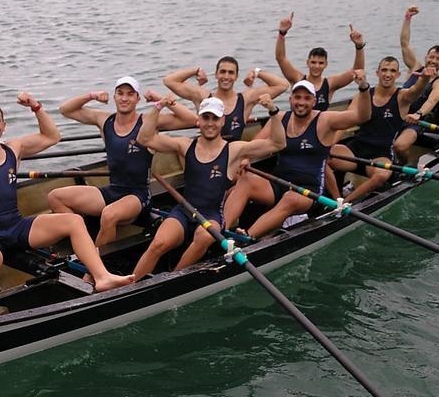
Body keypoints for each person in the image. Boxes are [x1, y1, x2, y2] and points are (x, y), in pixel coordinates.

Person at [0, 92, 133, 301]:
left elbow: (52, 136)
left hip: (18, 227)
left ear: (4, 125)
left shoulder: (14, 148)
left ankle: (102, 277)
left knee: (74, 221)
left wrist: (35, 106)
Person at [130, 95, 286, 279]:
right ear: (199, 120)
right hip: (184, 211)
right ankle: (130, 284)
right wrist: (158, 107)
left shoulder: (234, 150)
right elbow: (144, 138)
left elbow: (278, 143)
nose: (210, 123)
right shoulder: (185, 145)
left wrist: (273, 112)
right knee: (158, 244)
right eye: (206, 118)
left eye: (215, 118)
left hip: (212, 216)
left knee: (203, 237)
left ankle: (173, 277)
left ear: (222, 121)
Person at [49, 77, 197, 247]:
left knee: (109, 214)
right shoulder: (104, 119)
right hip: (113, 191)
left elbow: (192, 120)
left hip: (138, 196)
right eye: (120, 93)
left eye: (130, 94)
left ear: (137, 99)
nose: (124, 98)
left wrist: (162, 101)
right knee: (55, 197)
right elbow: (65, 110)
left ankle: (94, 267)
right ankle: (83, 242)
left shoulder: (149, 121)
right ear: (114, 97)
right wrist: (92, 95)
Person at [223, 72, 371, 238]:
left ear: (314, 102)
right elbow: (254, 144)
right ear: (290, 100)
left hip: (310, 191)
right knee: (246, 179)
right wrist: (246, 159)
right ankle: (221, 233)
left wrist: (363, 88)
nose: (301, 102)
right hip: (279, 183)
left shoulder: (325, 120)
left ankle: (247, 237)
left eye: (307, 98)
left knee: (290, 198)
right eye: (297, 97)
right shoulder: (280, 118)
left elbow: (362, 116)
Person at [328, 58, 435, 204]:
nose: (388, 74)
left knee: (381, 175)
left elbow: (416, 90)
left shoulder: (402, 97)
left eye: (392, 71)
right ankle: (335, 199)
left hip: (381, 154)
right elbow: (344, 123)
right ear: (377, 73)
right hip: (356, 148)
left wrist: (425, 78)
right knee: (323, 156)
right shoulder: (363, 94)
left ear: (398, 75)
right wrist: (327, 147)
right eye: (384, 70)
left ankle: (347, 202)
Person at [163, 57, 289, 142]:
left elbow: (282, 85)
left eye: (231, 73)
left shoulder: (246, 99)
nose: (226, 77)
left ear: (236, 76)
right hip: (207, 153)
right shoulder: (202, 96)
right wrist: (195, 71)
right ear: (216, 74)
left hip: (233, 156)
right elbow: (169, 81)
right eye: (222, 72)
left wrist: (257, 73)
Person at [273, 12, 366, 114]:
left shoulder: (330, 84)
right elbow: (281, 58)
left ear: (326, 64)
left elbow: (357, 71)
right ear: (307, 63)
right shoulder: (297, 79)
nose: (316, 66)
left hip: (319, 127)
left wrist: (359, 46)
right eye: (313, 62)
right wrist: (282, 33)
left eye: (321, 63)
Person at [393, 4, 439, 159]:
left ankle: (402, 167)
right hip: (396, 115)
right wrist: (407, 17)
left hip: (416, 122)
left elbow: (433, 100)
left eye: (438, 59)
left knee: (399, 146)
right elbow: (404, 42)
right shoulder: (415, 68)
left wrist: (418, 114)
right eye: (431, 57)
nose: (434, 61)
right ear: (425, 58)